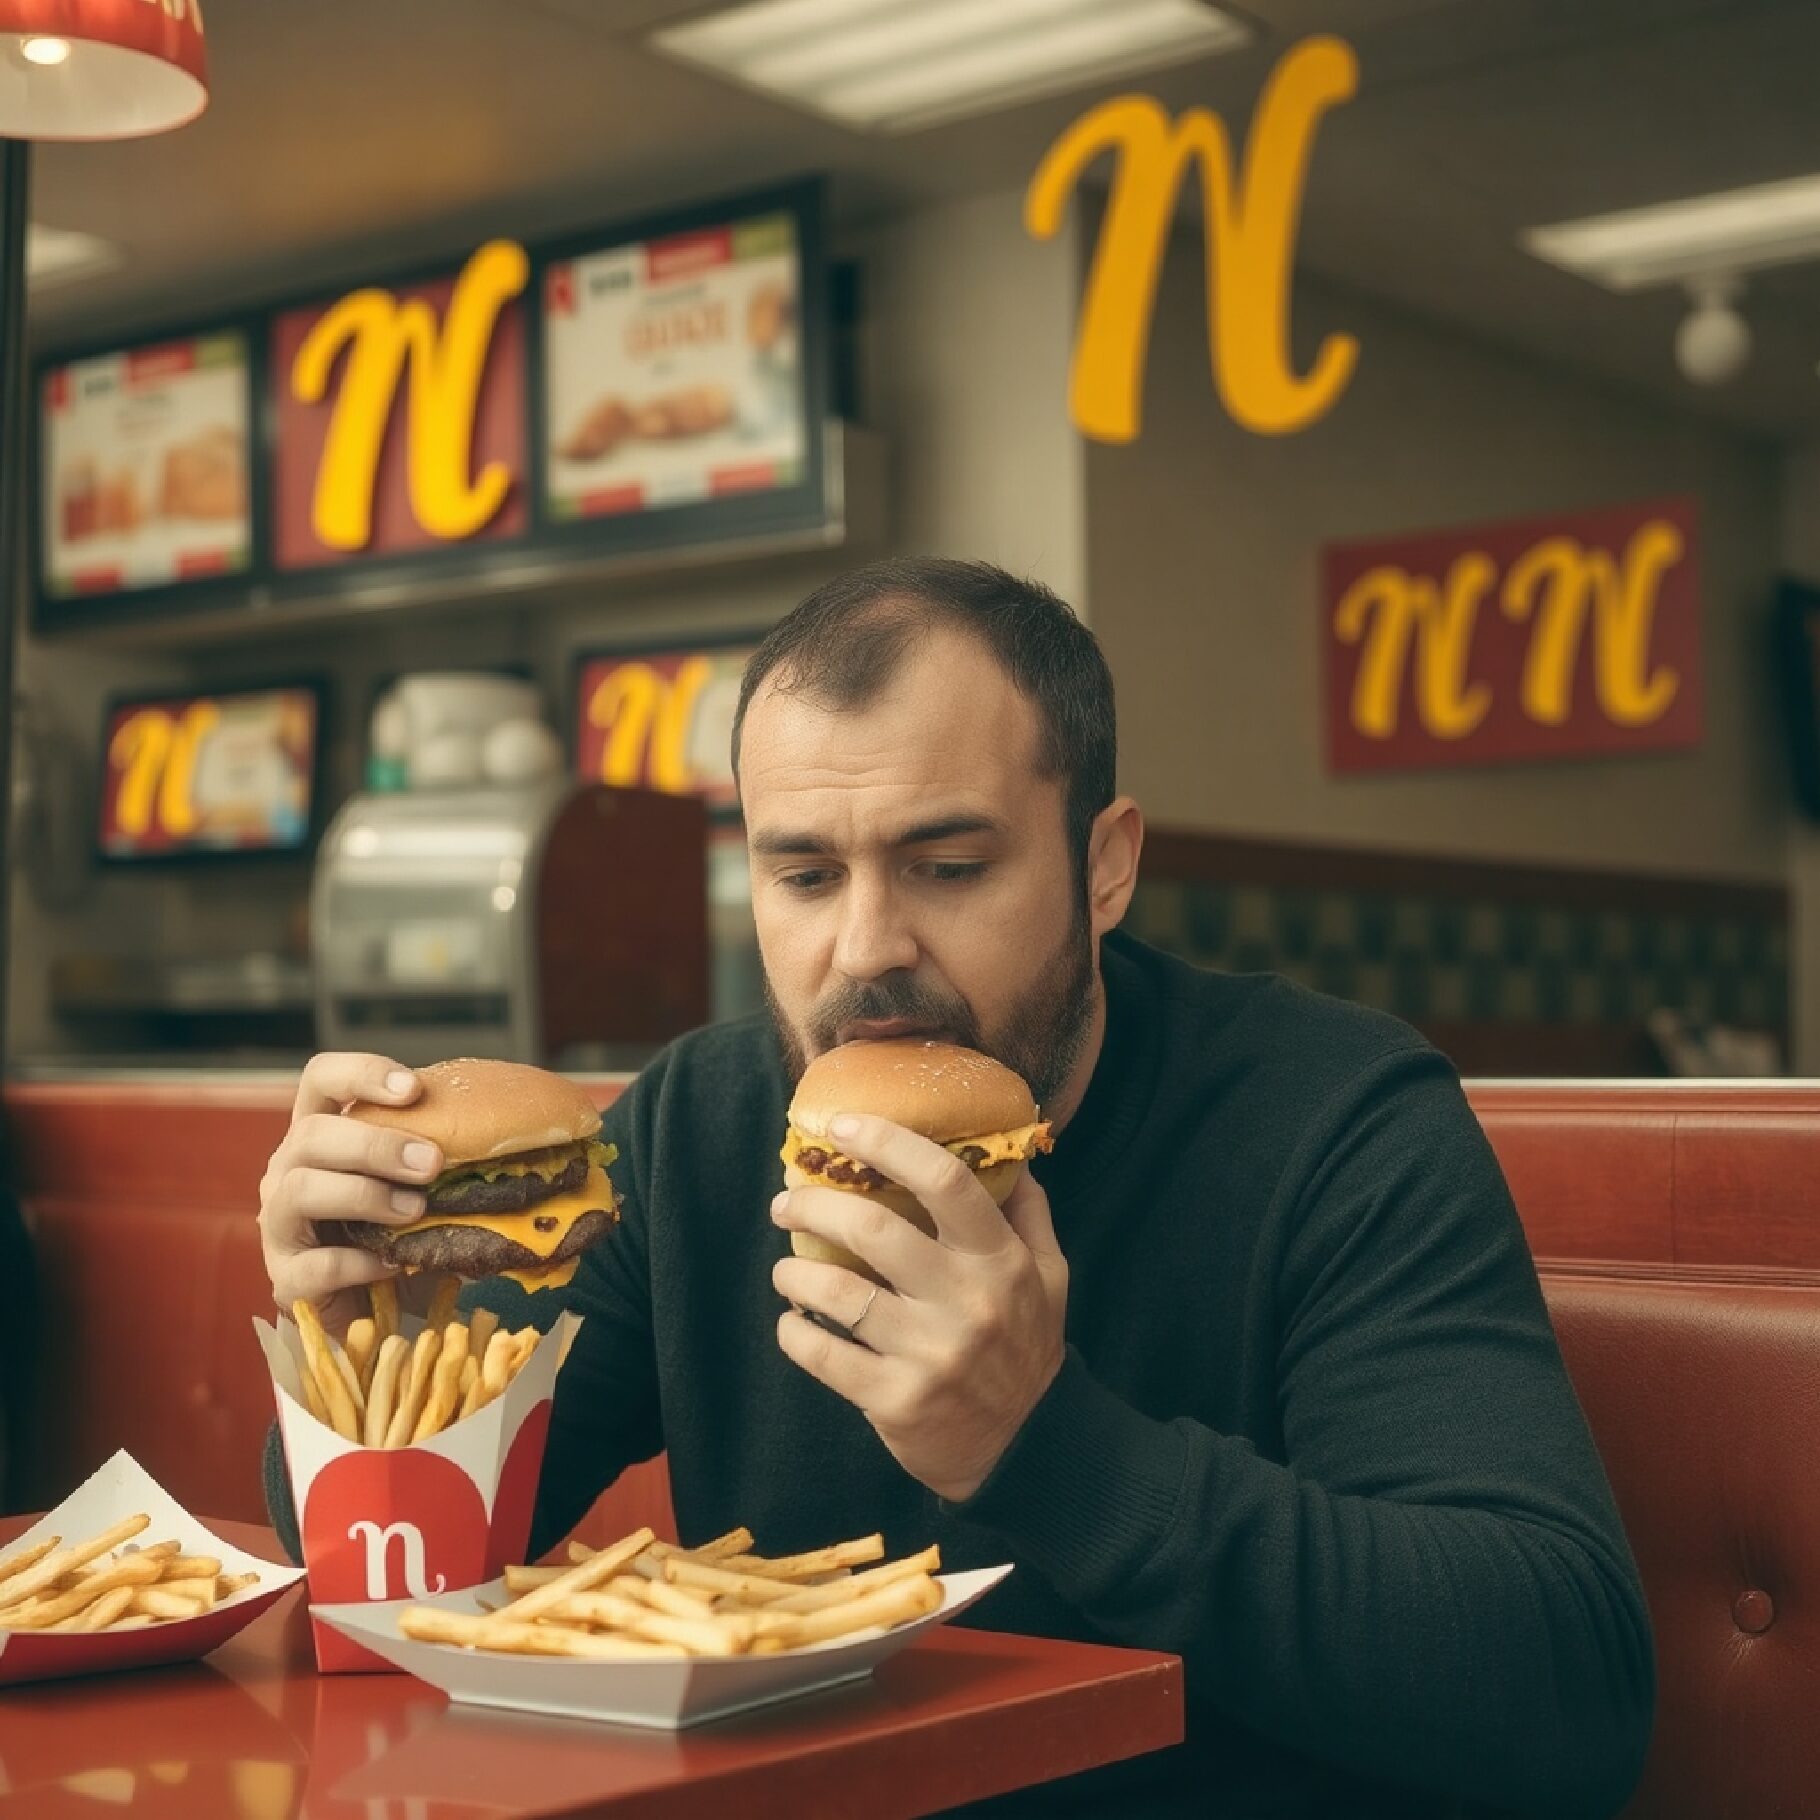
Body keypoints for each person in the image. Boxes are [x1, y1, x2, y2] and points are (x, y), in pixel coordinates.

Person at [261, 558, 1653, 1818]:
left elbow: (1567, 1687)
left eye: (949, 866)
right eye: (804, 874)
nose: (867, 948)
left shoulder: (1332, 1120)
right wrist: (374, 1343)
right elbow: (390, 1568)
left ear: (1103, 868)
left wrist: (1043, 1445)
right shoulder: (694, 1124)